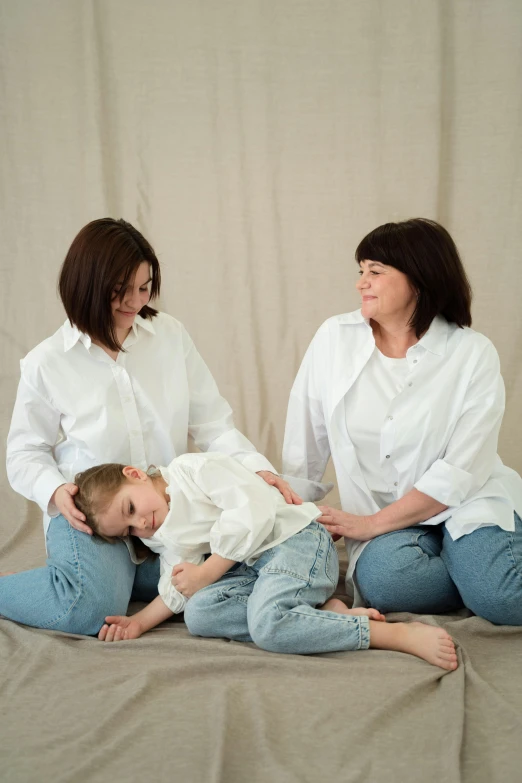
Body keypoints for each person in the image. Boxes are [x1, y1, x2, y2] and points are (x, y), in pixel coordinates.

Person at [2, 218, 299, 635]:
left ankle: (126, 577)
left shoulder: (170, 336)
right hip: (93, 518)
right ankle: (100, 577)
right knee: (87, 610)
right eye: (121, 291)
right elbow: (24, 454)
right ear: (87, 284)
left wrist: (256, 469)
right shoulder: (47, 362)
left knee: (246, 553)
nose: (135, 302)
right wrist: (55, 491)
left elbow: (213, 424)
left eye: (144, 288)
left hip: (166, 516)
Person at [283, 218, 522, 623]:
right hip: (389, 520)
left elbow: (460, 472)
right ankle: (478, 569)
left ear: (420, 278)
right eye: (361, 271)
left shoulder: (472, 353)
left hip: (464, 502)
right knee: (387, 586)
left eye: (375, 271)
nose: (362, 283)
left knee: (504, 601)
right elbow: (305, 444)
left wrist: (369, 524)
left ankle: (485, 568)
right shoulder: (334, 338)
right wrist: (293, 522)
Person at [72, 452, 458, 669]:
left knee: (268, 625)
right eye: (128, 530)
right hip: (256, 570)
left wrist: (208, 571)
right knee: (200, 614)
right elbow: (180, 584)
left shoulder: (193, 471)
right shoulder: (160, 531)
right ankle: (325, 612)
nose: (140, 523)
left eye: (131, 508)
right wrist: (138, 623)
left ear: (135, 474)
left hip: (297, 543)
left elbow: (253, 510)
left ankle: (392, 636)